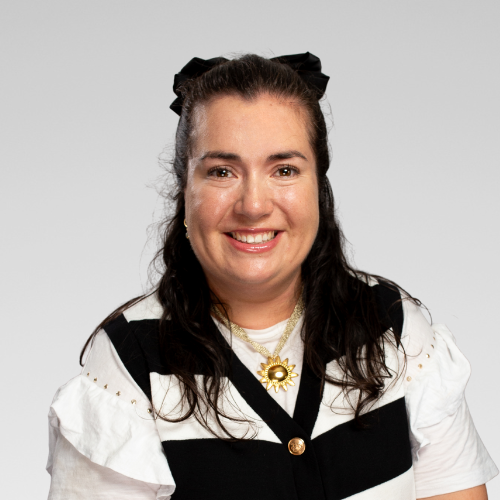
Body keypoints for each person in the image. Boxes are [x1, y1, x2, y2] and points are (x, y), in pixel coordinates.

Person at [46, 53, 498, 500]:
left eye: (284, 170)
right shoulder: (127, 366)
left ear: (318, 187)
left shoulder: (393, 327)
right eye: (222, 171)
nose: (254, 205)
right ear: (185, 192)